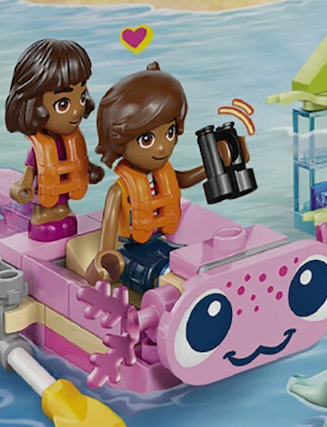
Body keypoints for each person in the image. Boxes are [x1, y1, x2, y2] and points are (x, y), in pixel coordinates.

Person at [86, 62, 246, 291]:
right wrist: (104, 256)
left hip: (161, 242)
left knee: (186, 263)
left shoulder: (164, 174)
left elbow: (184, 180)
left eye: (169, 133)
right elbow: (109, 228)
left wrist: (215, 164)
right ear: (119, 141)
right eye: (147, 140)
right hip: (132, 250)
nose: (162, 147)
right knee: (157, 273)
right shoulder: (119, 190)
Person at [4, 39, 103, 241]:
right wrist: (23, 186)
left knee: (65, 214)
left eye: (81, 97)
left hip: (64, 199)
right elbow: (31, 169)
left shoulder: (72, 141)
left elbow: (79, 162)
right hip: (44, 202)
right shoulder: (39, 148)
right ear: (33, 104)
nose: (76, 111)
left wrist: (90, 170)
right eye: (63, 104)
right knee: (46, 212)